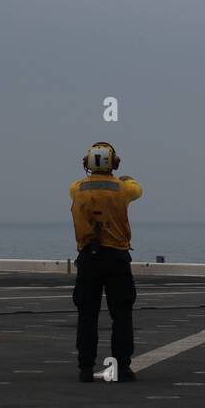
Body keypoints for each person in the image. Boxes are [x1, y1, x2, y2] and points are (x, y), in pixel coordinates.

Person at [69, 141, 143, 382]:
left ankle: (85, 368)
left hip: (88, 259)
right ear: (114, 163)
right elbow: (137, 190)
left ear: (87, 163)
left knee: (87, 315)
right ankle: (122, 367)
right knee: (121, 315)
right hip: (116, 258)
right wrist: (126, 178)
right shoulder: (123, 189)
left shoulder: (77, 188)